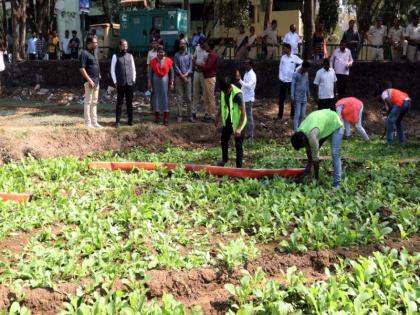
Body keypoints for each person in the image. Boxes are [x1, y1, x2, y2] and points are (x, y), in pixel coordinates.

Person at [291, 109, 344, 188]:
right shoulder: (300, 131)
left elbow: (316, 160)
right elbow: (309, 153)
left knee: (335, 153)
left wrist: (316, 178)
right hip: (323, 122)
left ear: (304, 142)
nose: (304, 148)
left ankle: (337, 184)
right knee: (311, 153)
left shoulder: (312, 137)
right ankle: (306, 175)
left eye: (303, 146)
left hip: (335, 122)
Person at [215, 77, 247, 168]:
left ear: (230, 88)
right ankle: (224, 160)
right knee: (224, 139)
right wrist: (217, 116)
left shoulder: (238, 95)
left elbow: (243, 113)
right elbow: (222, 104)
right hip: (230, 119)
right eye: (223, 91)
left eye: (226, 91)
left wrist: (239, 129)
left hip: (240, 121)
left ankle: (239, 168)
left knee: (238, 145)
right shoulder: (223, 91)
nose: (224, 93)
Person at [110, 39, 136, 128]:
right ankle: (117, 121)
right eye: (123, 45)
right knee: (119, 102)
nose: (125, 47)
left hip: (129, 83)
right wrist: (115, 81)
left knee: (129, 102)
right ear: (120, 46)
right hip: (120, 83)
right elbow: (112, 70)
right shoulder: (115, 56)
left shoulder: (130, 56)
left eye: (126, 45)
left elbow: (133, 68)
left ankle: (130, 120)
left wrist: (133, 79)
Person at [148, 46, 174, 126]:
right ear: (157, 53)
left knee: (165, 98)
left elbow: (172, 72)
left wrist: (172, 82)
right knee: (156, 98)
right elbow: (149, 73)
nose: (161, 53)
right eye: (159, 52)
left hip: (165, 82)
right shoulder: (153, 61)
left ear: (164, 53)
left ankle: (165, 119)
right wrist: (149, 82)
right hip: (155, 82)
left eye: (162, 52)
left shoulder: (168, 61)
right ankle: (157, 118)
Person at [79, 36, 102, 129]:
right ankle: (88, 123)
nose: (96, 44)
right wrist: (89, 80)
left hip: (96, 82)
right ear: (89, 43)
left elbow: (95, 65)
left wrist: (99, 75)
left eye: (96, 42)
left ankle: (94, 122)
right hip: (89, 82)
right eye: (95, 42)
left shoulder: (94, 53)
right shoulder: (84, 53)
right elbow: (81, 68)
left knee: (94, 102)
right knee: (88, 102)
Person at [278, 43, 303, 120]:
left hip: (291, 81)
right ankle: (280, 115)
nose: (284, 50)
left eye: (285, 48)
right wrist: (280, 76)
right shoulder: (283, 57)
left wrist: (296, 70)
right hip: (283, 81)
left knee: (292, 98)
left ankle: (292, 115)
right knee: (281, 99)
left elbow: (302, 63)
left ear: (289, 49)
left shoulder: (294, 57)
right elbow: (280, 68)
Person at [236, 58, 257, 139]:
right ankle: (246, 133)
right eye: (245, 64)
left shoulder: (252, 75)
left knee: (248, 117)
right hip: (244, 97)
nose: (245, 65)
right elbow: (244, 86)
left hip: (248, 99)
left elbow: (249, 86)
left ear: (251, 65)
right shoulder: (246, 73)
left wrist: (240, 80)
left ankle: (250, 135)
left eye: (247, 64)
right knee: (245, 116)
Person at [174, 39, 193, 122]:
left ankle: (190, 116)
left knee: (189, 97)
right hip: (179, 78)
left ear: (186, 45)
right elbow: (175, 66)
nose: (182, 45)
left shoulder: (189, 55)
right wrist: (182, 75)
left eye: (184, 43)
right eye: (181, 43)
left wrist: (186, 75)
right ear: (179, 45)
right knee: (179, 97)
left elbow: (191, 67)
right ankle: (180, 115)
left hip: (188, 77)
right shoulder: (176, 55)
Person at [199, 40, 218, 121]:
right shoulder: (211, 54)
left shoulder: (212, 55)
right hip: (208, 77)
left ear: (209, 46)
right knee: (207, 97)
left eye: (206, 45)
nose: (204, 46)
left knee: (210, 97)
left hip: (210, 77)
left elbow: (208, 67)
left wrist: (199, 65)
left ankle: (212, 115)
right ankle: (208, 114)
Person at [291, 60, 311, 131]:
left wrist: (308, 93)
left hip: (304, 97)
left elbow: (307, 83)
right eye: (307, 69)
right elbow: (292, 85)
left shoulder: (306, 74)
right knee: (297, 114)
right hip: (297, 97)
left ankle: (300, 129)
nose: (307, 71)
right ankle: (296, 130)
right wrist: (292, 96)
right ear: (303, 67)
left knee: (302, 115)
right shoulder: (295, 74)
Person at [192, 37, 208, 119]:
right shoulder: (197, 48)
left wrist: (201, 66)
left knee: (205, 93)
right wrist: (195, 64)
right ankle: (194, 111)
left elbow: (208, 63)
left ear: (205, 43)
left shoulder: (208, 50)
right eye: (200, 43)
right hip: (196, 72)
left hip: (204, 73)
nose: (201, 45)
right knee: (195, 93)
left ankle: (206, 112)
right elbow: (194, 58)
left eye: (202, 43)